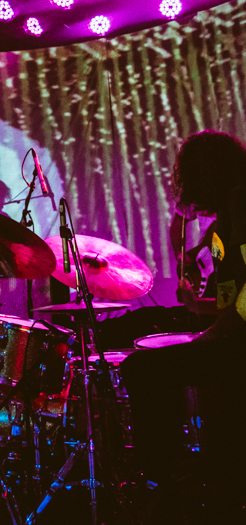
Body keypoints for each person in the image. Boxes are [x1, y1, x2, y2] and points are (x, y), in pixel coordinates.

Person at [121, 130, 246, 519]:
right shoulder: (234, 200)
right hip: (231, 330)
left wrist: (217, 321)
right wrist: (196, 252)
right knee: (147, 330)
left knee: (141, 366)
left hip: (238, 342)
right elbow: (218, 238)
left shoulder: (241, 202)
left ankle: (161, 477)